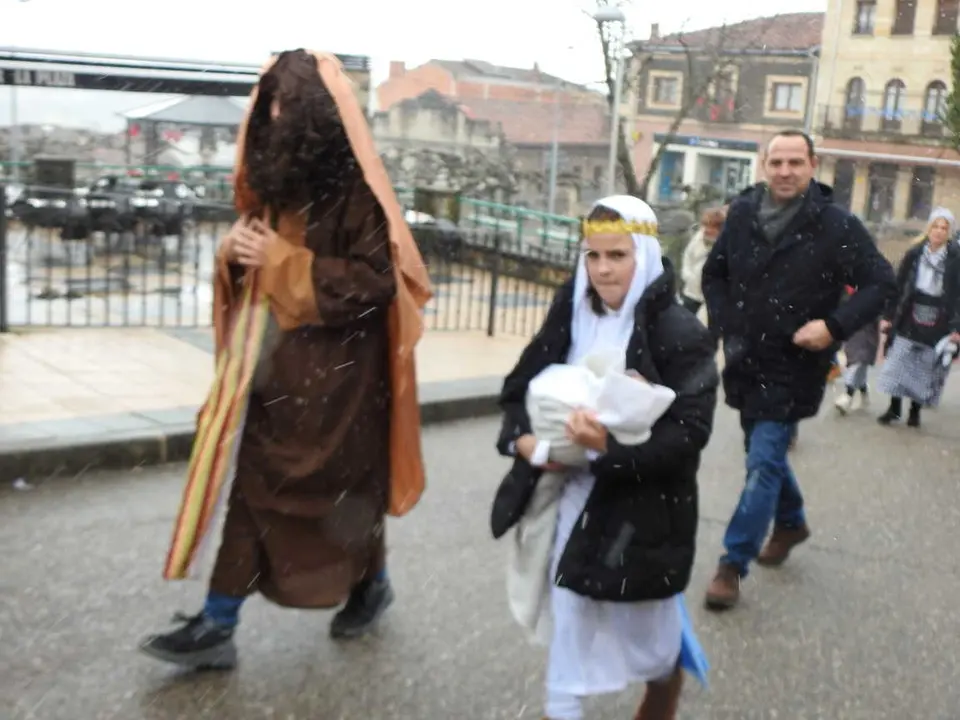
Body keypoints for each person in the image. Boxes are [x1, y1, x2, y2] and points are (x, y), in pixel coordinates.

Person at [139, 49, 433, 669]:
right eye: (267, 104)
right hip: (270, 376)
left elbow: (378, 282)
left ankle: (371, 586)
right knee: (252, 492)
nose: (272, 116)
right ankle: (218, 623)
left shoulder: (358, 192)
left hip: (341, 386)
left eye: (286, 105)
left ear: (317, 116)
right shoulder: (273, 184)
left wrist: (281, 261)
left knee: (348, 498)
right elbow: (255, 263)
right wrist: (234, 251)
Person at [493, 195, 719, 720]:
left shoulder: (679, 335)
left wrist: (606, 450)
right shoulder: (570, 312)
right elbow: (516, 391)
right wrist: (521, 441)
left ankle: (664, 684)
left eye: (616, 255)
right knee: (569, 620)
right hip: (567, 503)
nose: (601, 269)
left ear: (641, 253)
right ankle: (564, 705)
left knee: (650, 638)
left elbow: (688, 437)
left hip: (639, 511)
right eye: (592, 256)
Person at [701, 129, 896, 611]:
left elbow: (880, 283)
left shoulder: (835, 226)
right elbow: (715, 275)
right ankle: (791, 522)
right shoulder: (743, 214)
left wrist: (833, 326)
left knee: (764, 459)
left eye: (795, 162)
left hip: (795, 364)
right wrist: (728, 325)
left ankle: (732, 564)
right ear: (764, 165)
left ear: (813, 165)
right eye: (776, 162)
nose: (785, 171)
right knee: (761, 453)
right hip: (747, 359)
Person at [876, 207, 960, 428]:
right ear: (929, 228)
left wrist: (956, 327)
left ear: (949, 232)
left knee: (924, 366)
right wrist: (889, 314)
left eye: (944, 228)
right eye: (936, 227)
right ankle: (894, 408)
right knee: (899, 360)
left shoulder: (954, 258)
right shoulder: (914, 253)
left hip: (938, 316)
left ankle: (915, 411)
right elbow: (899, 284)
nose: (939, 232)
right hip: (909, 310)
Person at [834, 285, 880, 414]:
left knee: (858, 364)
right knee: (858, 368)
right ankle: (864, 395)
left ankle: (847, 396)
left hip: (867, 336)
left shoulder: (873, 291)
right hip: (852, 336)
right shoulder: (845, 292)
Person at [680, 206, 726, 315]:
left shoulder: (724, 245)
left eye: (712, 227)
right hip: (691, 293)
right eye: (706, 225)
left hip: (710, 299)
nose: (708, 230)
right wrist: (688, 277)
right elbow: (687, 258)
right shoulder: (698, 239)